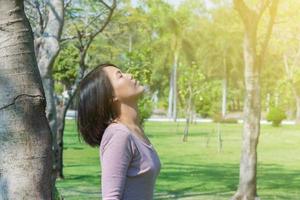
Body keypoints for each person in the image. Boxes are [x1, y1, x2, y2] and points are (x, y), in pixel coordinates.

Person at [76, 63, 161, 200]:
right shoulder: (119, 135)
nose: (130, 75)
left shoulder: (134, 131)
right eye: (120, 76)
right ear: (111, 96)